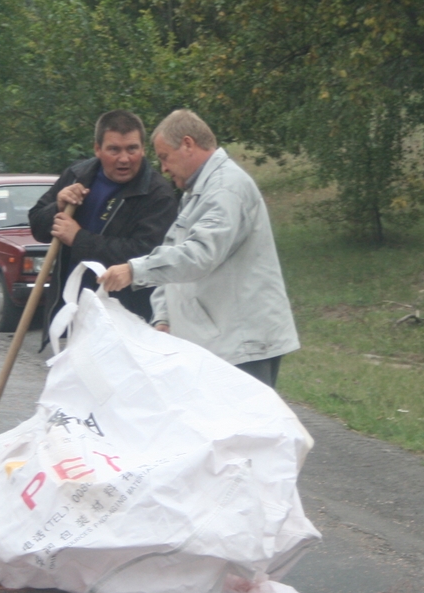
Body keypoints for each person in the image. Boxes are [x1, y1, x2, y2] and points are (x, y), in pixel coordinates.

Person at [98, 109, 298, 388]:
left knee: (238, 418)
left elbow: (200, 254)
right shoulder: (198, 192)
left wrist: (134, 270)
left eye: (165, 157)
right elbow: (173, 250)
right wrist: (164, 317)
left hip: (242, 346)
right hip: (216, 343)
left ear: (188, 144)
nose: (163, 168)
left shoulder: (226, 189)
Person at [28, 110, 178, 324]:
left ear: (143, 149)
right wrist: (57, 207)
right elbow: (37, 226)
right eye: (114, 149)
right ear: (97, 149)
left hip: (123, 319)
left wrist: (78, 238)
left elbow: (146, 254)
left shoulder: (158, 195)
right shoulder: (77, 175)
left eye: (132, 148)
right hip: (68, 311)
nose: (124, 158)